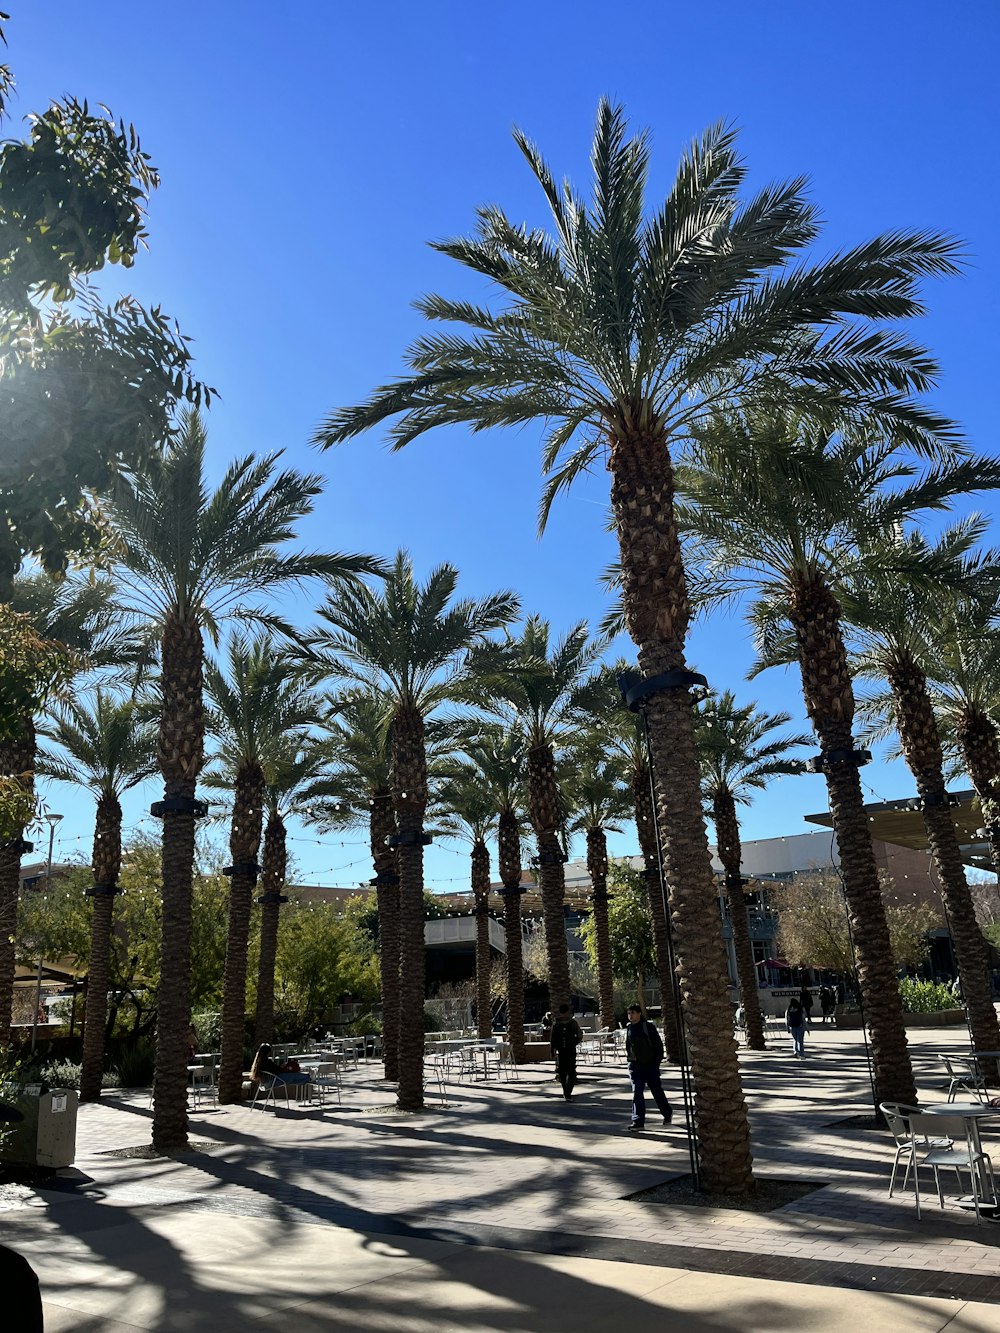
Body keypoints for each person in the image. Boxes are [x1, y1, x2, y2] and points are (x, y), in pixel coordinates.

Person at [624, 1003, 672, 1131]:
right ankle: (638, 1122)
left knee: (657, 1091)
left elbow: (658, 1045)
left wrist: (656, 1062)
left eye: (633, 1013)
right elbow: (628, 1047)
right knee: (637, 1093)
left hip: (650, 1066)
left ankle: (667, 1114)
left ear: (639, 1013)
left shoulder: (647, 1027)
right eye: (629, 1013)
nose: (630, 1016)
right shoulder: (629, 1028)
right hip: (635, 1066)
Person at [550, 1004, 583, 1101]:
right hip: (570, 1050)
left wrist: (552, 1050)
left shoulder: (556, 1024)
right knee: (571, 1071)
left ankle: (565, 1091)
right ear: (568, 1011)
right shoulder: (573, 1022)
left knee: (563, 1072)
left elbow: (552, 1039)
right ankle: (568, 1092)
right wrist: (574, 1042)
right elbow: (579, 1035)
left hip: (561, 1051)